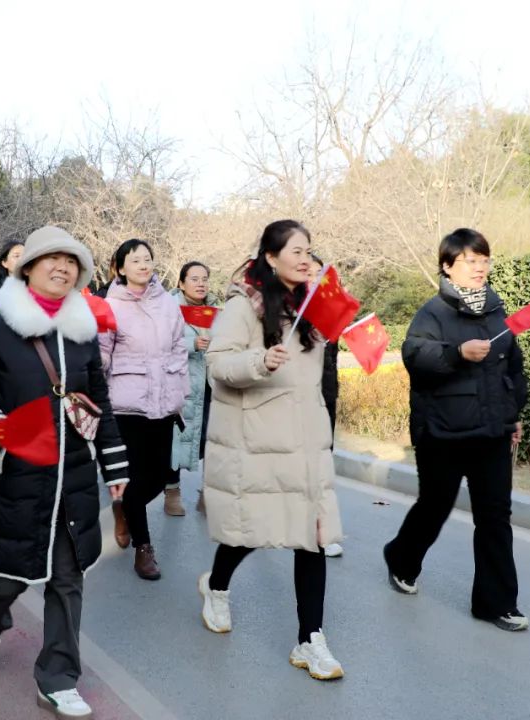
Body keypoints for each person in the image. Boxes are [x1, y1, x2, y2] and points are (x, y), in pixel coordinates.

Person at [0, 226, 129, 719]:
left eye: (71, 262)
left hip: (72, 476)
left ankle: (57, 678)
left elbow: (100, 403)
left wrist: (114, 464)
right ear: (26, 267)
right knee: (10, 574)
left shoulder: (83, 328)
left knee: (67, 581)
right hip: (18, 470)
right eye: (50, 259)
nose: (62, 268)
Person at [197, 219, 344, 681]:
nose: (305, 259)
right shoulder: (244, 305)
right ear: (270, 257)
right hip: (258, 439)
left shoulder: (313, 305)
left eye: (309, 250)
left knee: (312, 536)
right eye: (295, 251)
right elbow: (217, 363)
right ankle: (216, 587)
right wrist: (259, 360)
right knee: (249, 532)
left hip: (305, 438)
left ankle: (310, 639)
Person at [382, 228, 530, 632]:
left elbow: (512, 369)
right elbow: (415, 356)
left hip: (491, 434)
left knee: (495, 517)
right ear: (448, 266)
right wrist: (457, 353)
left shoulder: (498, 312)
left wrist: (513, 414)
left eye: (484, 260)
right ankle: (401, 558)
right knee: (435, 505)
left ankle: (496, 603)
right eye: (470, 260)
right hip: (442, 433)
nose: (480, 267)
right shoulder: (433, 313)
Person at [99, 239, 189, 580]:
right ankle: (144, 547)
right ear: (121, 267)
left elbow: (179, 344)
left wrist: (178, 385)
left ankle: (123, 504)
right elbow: (102, 355)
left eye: (147, 259)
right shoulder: (111, 305)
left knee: (155, 477)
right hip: (126, 405)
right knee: (133, 476)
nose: (143, 264)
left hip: (163, 404)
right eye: (135, 260)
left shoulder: (167, 303)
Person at [167, 261, 218, 516]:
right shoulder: (168, 307)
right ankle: (172, 490)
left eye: (204, 278)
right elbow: (159, 342)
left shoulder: (216, 310)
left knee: (211, 439)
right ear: (181, 283)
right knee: (176, 438)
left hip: (210, 385)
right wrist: (191, 343)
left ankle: (208, 493)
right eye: (194, 278)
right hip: (179, 383)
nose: (201, 284)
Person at [309, 254, 343, 559]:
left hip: (324, 397)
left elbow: (332, 360)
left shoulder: (331, 313)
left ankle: (321, 529)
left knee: (321, 465)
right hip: (287, 401)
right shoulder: (281, 311)